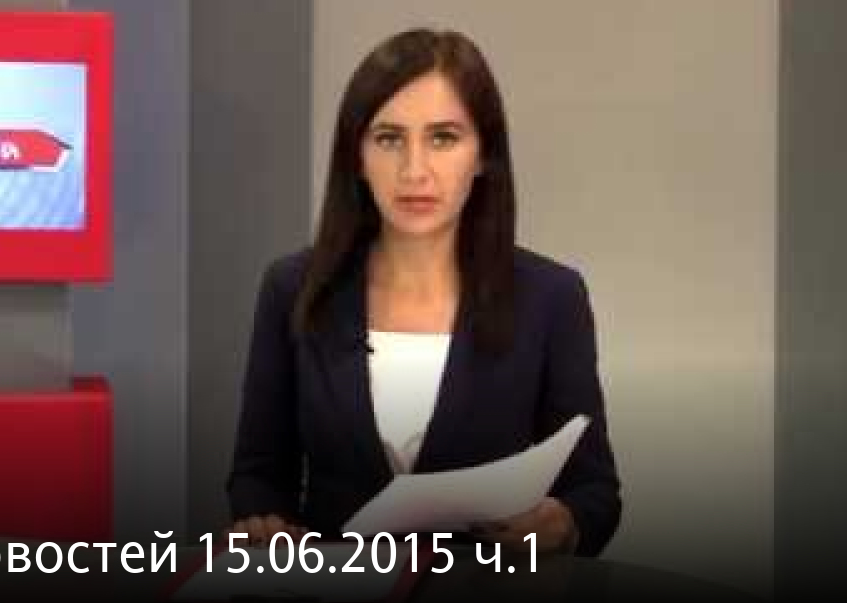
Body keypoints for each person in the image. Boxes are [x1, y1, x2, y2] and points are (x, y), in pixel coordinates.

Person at [225, 28, 621, 557]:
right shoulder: (292, 288)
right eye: (389, 138)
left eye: (443, 138)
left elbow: (594, 493)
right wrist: (265, 526)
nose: (414, 171)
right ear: (357, 157)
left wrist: (563, 523)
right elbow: (257, 477)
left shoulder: (551, 297)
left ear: (483, 156)